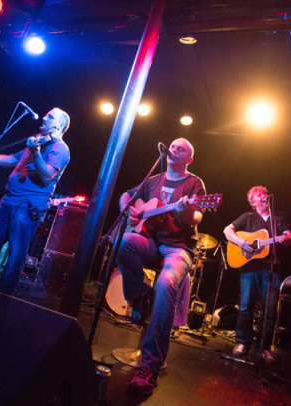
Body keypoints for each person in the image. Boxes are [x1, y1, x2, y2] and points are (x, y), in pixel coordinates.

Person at [117, 138, 205, 396]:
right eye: (173, 146)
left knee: (167, 282)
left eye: (182, 149)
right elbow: (126, 195)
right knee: (125, 242)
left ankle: (149, 365)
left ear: (189, 159)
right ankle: (140, 295)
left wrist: (186, 211)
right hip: (152, 243)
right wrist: (130, 211)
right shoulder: (153, 180)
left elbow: (196, 216)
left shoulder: (194, 184)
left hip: (179, 248)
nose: (174, 149)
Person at [0, 108, 70, 295]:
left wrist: (35, 151)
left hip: (28, 205)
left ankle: (3, 296)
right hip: (7, 200)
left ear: (60, 125)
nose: (44, 117)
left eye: (50, 116)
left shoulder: (60, 148)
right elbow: (10, 159)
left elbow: (47, 175)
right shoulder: (37, 142)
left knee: (16, 254)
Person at [223, 185, 291, 363]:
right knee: (246, 305)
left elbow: (287, 239)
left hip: (271, 267)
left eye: (264, 193)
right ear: (253, 202)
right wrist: (241, 242)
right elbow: (227, 230)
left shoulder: (279, 217)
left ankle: (263, 347)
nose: (263, 196)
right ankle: (242, 342)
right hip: (249, 267)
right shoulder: (247, 217)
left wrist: (288, 239)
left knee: (270, 309)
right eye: (258, 195)